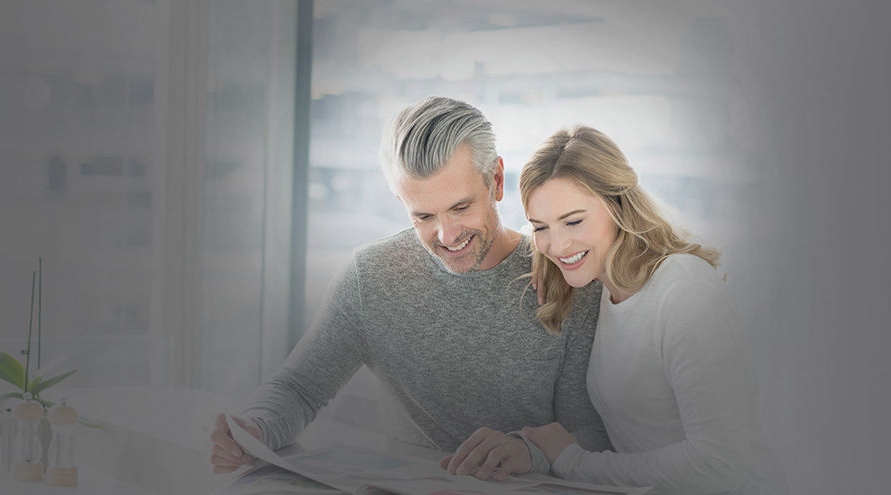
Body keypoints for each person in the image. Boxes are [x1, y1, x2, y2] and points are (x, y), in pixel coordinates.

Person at [208, 97, 611, 481]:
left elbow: (591, 434)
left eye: (461, 207)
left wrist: (530, 451)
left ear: (498, 180)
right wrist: (254, 429)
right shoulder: (371, 277)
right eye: (423, 215)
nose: (447, 235)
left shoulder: (563, 277)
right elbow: (299, 388)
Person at [517, 125, 787, 494]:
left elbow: (718, 465)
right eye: (540, 227)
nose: (558, 243)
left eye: (574, 221)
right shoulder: (602, 288)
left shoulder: (684, 294)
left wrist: (573, 462)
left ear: (618, 206)